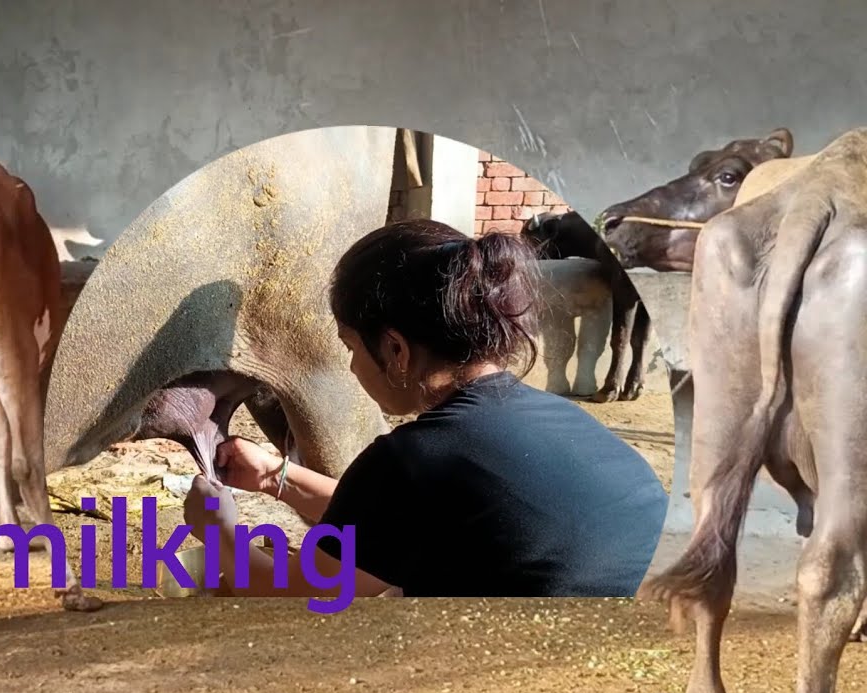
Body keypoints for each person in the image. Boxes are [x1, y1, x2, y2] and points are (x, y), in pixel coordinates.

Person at [182, 219, 669, 603]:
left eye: (351, 347)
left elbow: (307, 590)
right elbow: (389, 517)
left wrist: (219, 533)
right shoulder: (558, 418)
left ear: (395, 349)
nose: (351, 366)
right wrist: (274, 476)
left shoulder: (412, 458)